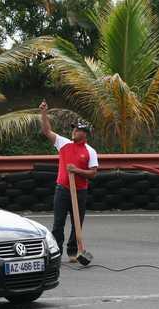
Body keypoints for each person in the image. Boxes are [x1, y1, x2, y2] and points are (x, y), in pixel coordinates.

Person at [39, 100, 98, 261]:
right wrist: (44, 112)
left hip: (80, 192)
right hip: (62, 189)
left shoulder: (90, 151)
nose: (74, 132)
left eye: (78, 130)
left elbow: (93, 173)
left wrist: (76, 170)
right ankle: (56, 252)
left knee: (76, 223)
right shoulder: (63, 143)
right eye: (74, 129)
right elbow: (46, 130)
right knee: (58, 223)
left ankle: (73, 252)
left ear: (84, 134)